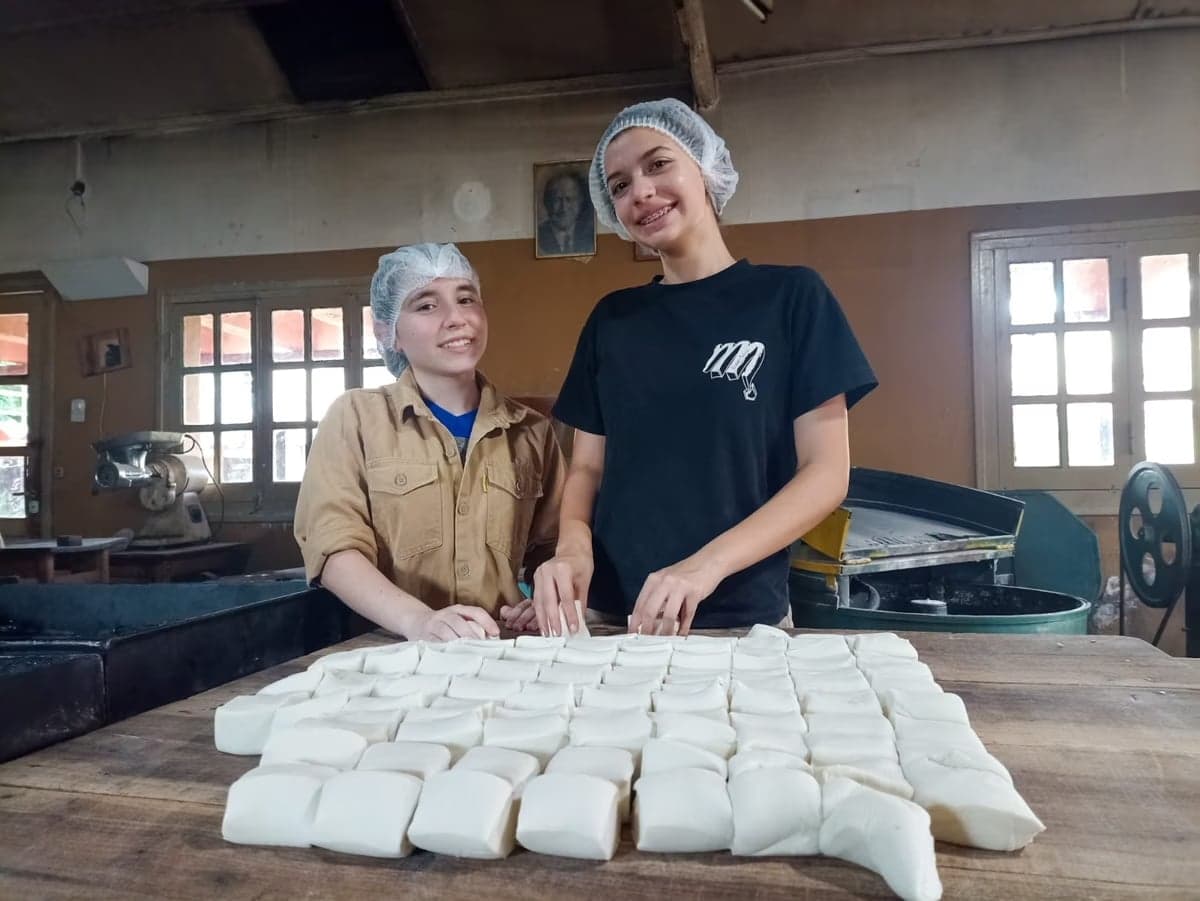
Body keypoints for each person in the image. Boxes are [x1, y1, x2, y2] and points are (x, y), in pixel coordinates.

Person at [530, 98, 877, 638]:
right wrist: (573, 551)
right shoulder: (612, 320)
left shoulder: (791, 298)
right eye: (619, 185)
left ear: (706, 168)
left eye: (658, 164)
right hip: (610, 616)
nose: (640, 191)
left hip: (739, 617)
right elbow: (587, 470)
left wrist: (704, 567)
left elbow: (825, 474)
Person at [294, 243, 564, 641]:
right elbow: (333, 547)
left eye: (466, 299)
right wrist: (417, 621)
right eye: (426, 305)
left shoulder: (531, 432)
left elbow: (555, 547)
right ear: (389, 333)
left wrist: (544, 597)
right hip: (391, 655)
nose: (457, 318)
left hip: (504, 651)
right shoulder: (355, 418)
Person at [537, 168, 596, 256]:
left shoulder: (589, 234)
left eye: (569, 199)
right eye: (557, 199)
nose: (564, 207)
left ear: (579, 202)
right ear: (547, 202)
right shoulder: (539, 236)